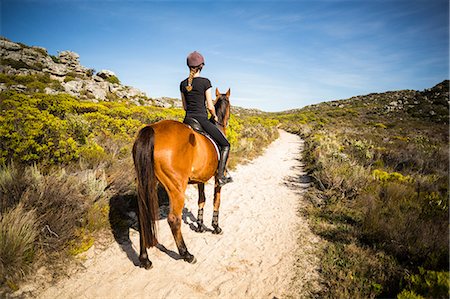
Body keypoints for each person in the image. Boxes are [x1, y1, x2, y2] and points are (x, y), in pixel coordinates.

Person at [180, 51, 232, 187]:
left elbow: (185, 106)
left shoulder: (182, 84)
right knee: (226, 144)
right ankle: (220, 177)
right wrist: (214, 116)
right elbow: (210, 105)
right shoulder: (205, 82)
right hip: (201, 120)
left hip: (187, 121)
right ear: (201, 66)